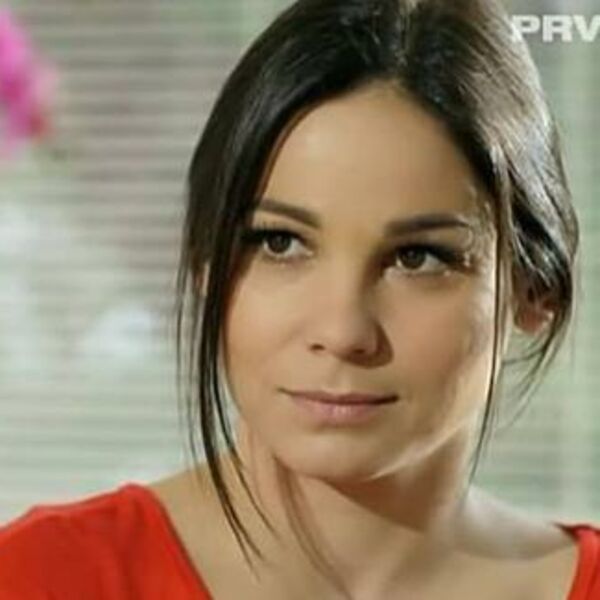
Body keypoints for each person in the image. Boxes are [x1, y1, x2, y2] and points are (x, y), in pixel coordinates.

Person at [0, 0, 596, 598]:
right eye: (280, 243)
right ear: (205, 260)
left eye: (418, 258)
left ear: (536, 287)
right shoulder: (38, 578)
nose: (342, 331)